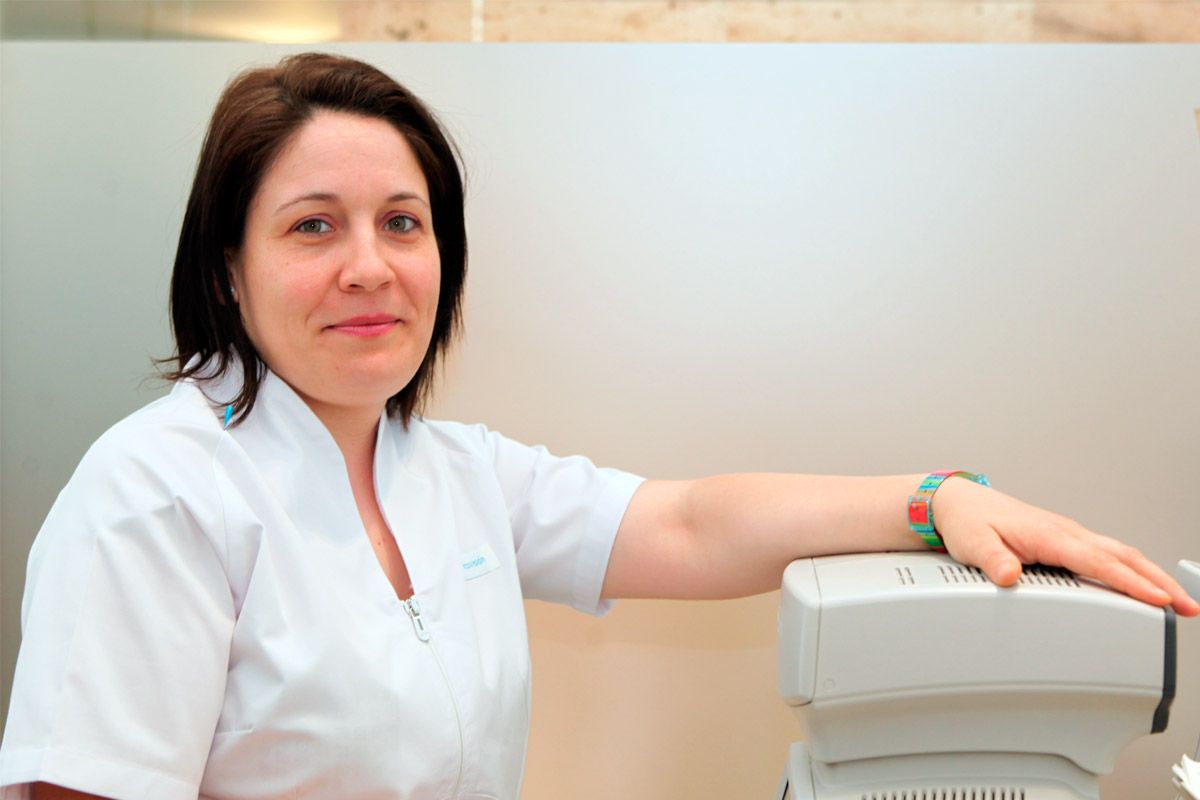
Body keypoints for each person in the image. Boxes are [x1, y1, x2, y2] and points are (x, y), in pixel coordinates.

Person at [0, 52, 1195, 800]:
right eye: (314, 225)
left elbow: (688, 522)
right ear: (228, 266)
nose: (370, 266)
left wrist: (936, 498)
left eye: (403, 222)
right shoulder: (155, 492)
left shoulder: (447, 470)